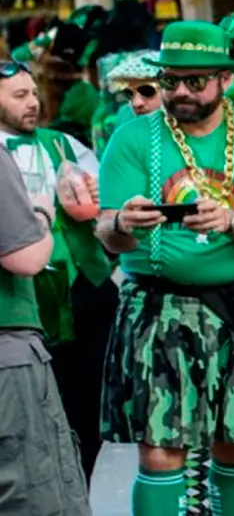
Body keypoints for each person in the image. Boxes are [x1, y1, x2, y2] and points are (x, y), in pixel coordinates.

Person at [95, 21, 234, 516]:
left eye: (196, 81)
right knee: (159, 450)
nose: (181, 92)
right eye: (170, 81)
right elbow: (107, 232)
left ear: (226, 79)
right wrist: (125, 221)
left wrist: (232, 220)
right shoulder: (130, 138)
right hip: (156, 307)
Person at [0, 60, 118, 486]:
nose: (32, 103)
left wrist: (100, 201)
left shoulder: (63, 145)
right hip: (24, 299)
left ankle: (76, 491)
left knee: (88, 411)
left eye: (33, 93)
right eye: (19, 96)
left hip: (83, 289)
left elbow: (108, 212)